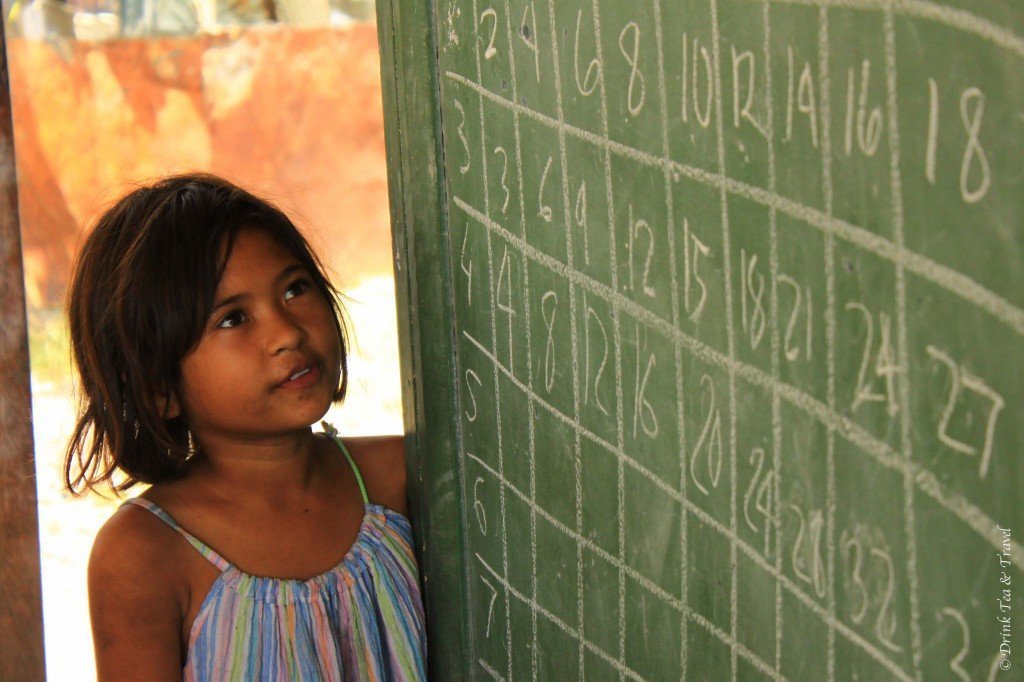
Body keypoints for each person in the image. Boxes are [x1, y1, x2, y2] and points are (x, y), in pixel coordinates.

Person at [64, 173, 427, 680]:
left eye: (295, 288)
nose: (287, 331)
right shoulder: (144, 554)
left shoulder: (399, 480)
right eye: (233, 319)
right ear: (158, 388)